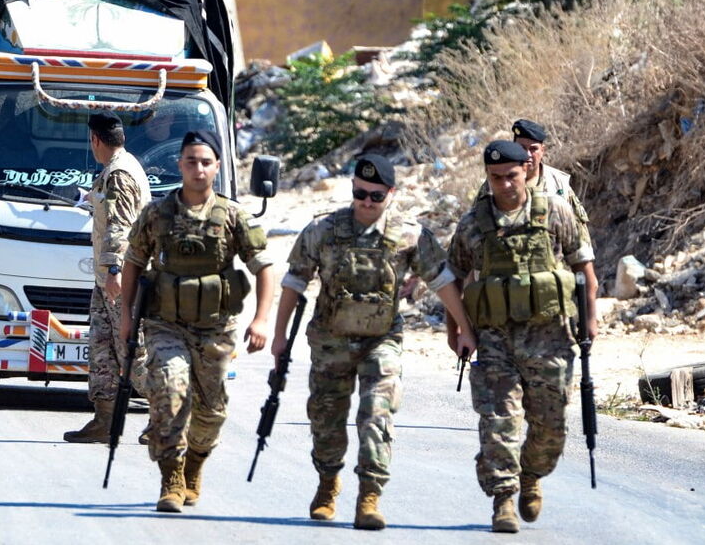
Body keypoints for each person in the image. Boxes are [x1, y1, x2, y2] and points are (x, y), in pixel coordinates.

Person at [271, 153, 458, 528]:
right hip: (330, 341)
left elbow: (441, 279)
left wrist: (463, 328)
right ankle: (327, 484)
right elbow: (294, 280)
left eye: (376, 195)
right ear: (352, 189)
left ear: (390, 193)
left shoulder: (409, 234)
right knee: (326, 419)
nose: (367, 202)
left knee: (376, 414)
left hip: (381, 340)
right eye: (360, 193)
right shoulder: (324, 230)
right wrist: (278, 335)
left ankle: (369, 495)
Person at [442, 140, 598, 533]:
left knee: (550, 427)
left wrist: (590, 319)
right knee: (499, 423)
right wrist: (458, 330)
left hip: (550, 338)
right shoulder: (474, 224)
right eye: (495, 178)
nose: (505, 185)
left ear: (526, 171)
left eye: (511, 176)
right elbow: (452, 280)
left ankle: (531, 475)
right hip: (495, 340)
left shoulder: (554, 212)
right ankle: (503, 501)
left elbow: (585, 270)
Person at [121, 130, 274, 513]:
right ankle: (170, 477)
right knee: (169, 392)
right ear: (180, 166)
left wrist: (261, 320)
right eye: (191, 161)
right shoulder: (156, 214)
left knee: (211, 412)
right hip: (164, 323)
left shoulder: (233, 215)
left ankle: (195, 464)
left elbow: (263, 267)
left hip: (215, 327)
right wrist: (125, 316)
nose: (199, 169)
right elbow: (133, 263)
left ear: (218, 167)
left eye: (206, 162)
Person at [63, 111, 152, 444]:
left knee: (132, 351)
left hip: (122, 279)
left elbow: (122, 225)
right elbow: (110, 210)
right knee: (101, 349)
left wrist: (115, 270)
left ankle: (167, 417)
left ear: (95, 140)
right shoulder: (114, 171)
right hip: (106, 281)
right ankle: (104, 421)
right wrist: (89, 199)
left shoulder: (120, 174)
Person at [474, 119, 591, 244]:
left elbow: (580, 234)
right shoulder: (496, 184)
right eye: (522, 148)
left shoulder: (558, 182)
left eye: (533, 149)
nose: (527, 154)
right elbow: (476, 227)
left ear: (542, 150)